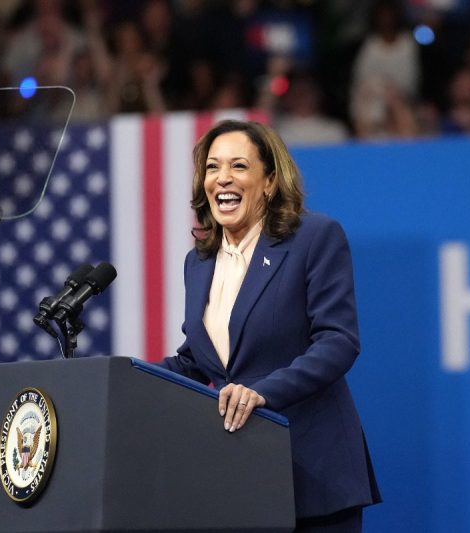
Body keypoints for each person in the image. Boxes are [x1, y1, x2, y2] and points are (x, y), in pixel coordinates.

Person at [159, 119, 381, 531]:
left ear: (269, 182)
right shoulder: (199, 262)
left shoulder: (313, 238)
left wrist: (260, 393)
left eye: (239, 166)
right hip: (240, 478)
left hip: (312, 472)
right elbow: (198, 358)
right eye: (212, 167)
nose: (222, 178)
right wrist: (121, 376)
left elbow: (338, 341)